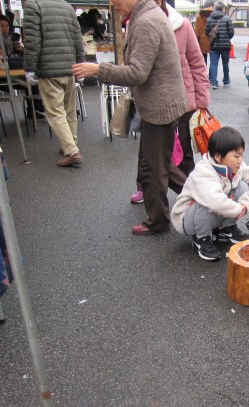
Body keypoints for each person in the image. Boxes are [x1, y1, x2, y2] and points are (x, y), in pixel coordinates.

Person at [73, 0, 188, 235]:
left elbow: (137, 72)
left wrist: (98, 70)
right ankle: (200, 197)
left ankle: (159, 221)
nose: (111, 3)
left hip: (160, 108)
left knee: (154, 169)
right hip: (161, 105)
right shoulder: (148, 15)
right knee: (159, 164)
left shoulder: (146, 21)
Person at [129, 0, 210, 204]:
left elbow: (197, 63)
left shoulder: (181, 25)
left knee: (182, 151)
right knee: (149, 152)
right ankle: (147, 188)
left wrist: (201, 100)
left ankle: (194, 198)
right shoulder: (137, 22)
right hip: (151, 99)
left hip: (182, 100)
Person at [171, 127, 249, 261]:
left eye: (241, 155)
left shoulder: (238, 166)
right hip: (188, 220)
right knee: (205, 201)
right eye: (236, 156)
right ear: (218, 156)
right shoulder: (203, 172)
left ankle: (224, 229)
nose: (240, 160)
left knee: (242, 187)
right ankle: (201, 237)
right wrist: (237, 209)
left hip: (213, 211)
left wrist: (246, 204)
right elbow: (215, 201)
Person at [24, 0, 85, 167]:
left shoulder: (33, 5)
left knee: (55, 112)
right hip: (70, 67)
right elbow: (77, 38)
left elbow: (32, 41)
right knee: (69, 110)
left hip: (49, 68)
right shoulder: (67, 6)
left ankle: (71, 151)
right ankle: (70, 143)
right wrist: (81, 63)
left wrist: (29, 68)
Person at [205, 1, 234, 89]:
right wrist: (226, 37)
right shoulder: (227, 18)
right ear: (222, 8)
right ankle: (226, 80)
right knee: (225, 63)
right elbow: (231, 32)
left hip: (214, 45)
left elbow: (207, 32)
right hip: (225, 45)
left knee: (214, 63)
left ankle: (214, 82)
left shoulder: (209, 19)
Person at [195, 0, 215, 65]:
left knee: (203, 60)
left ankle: (204, 74)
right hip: (212, 40)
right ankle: (212, 75)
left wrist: (196, 41)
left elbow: (197, 31)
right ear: (212, 5)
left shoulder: (199, 16)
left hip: (202, 41)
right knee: (213, 62)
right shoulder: (214, 15)